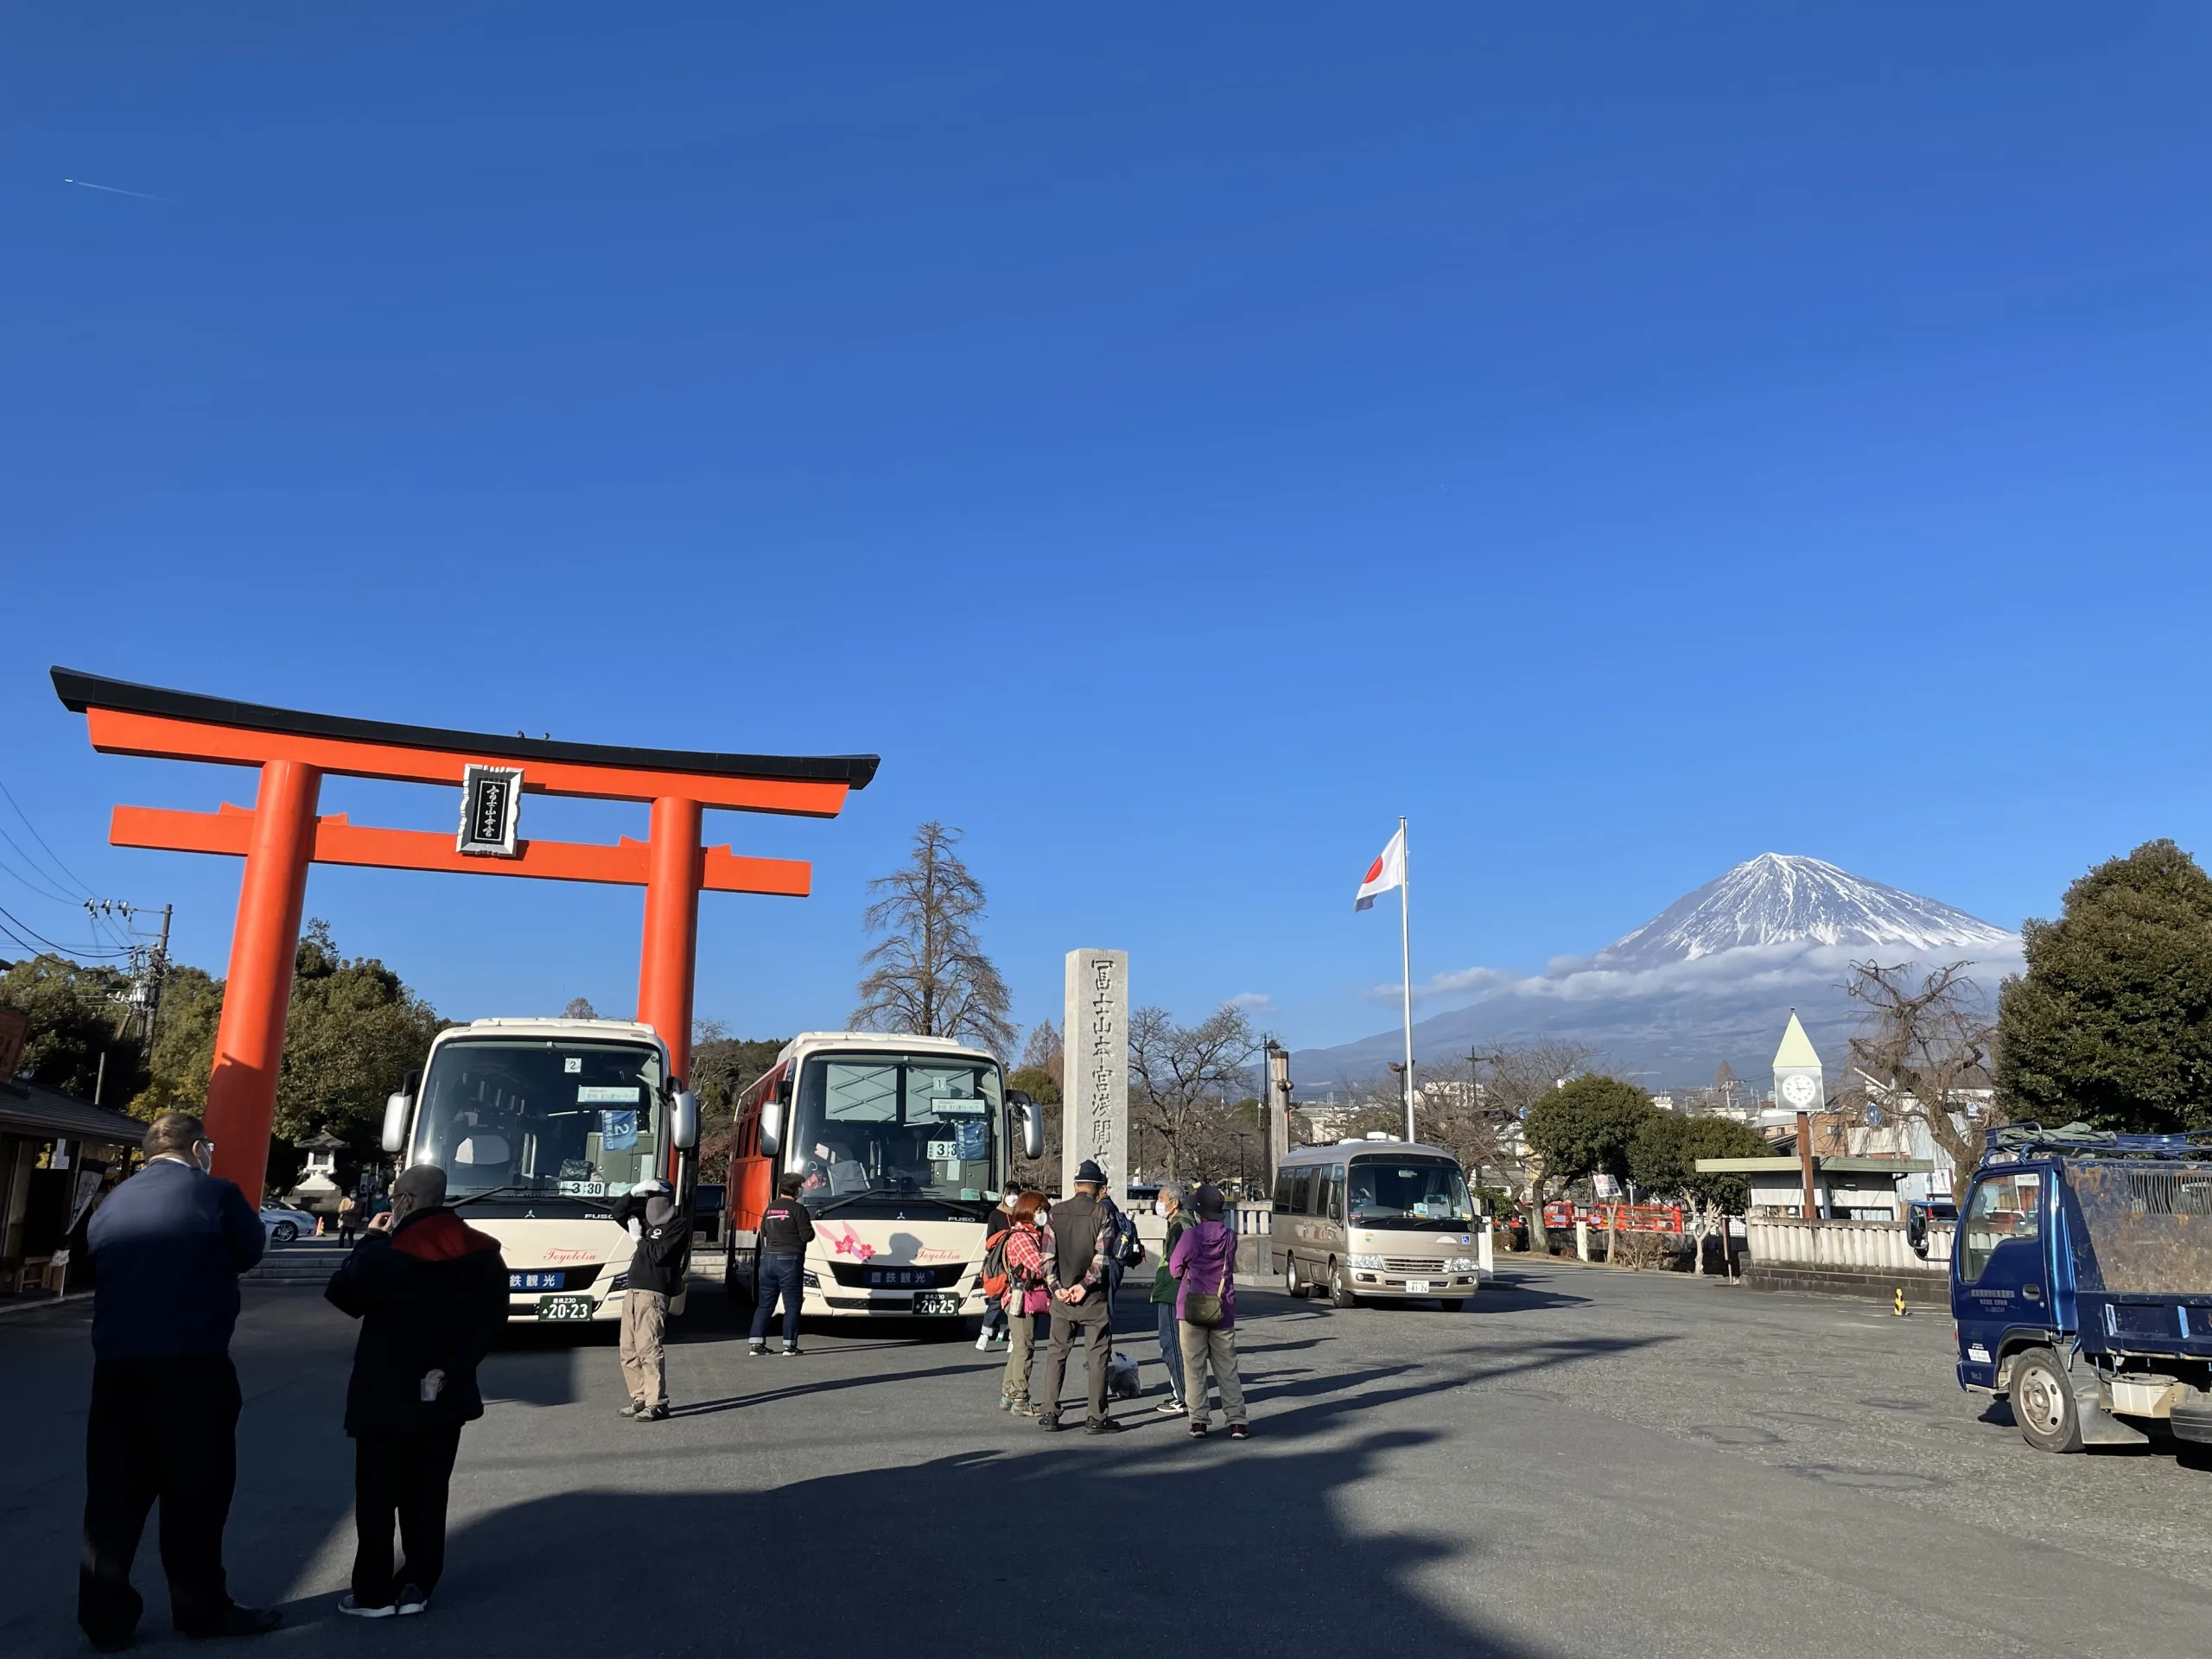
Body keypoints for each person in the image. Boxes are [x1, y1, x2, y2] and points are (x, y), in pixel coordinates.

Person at [78, 1111, 280, 1651]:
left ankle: (105, 1618)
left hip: (117, 1368)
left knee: (113, 1497)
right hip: (192, 1364)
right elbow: (250, 1251)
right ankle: (200, 1607)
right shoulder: (215, 1193)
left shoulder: (112, 1203)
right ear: (198, 1147)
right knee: (196, 1495)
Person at [324, 1162, 506, 1618]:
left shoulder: (389, 1253)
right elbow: (491, 1323)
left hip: (383, 1392)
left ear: (406, 1200)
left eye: (395, 1195)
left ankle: (371, 1594)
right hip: (444, 1393)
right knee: (428, 1493)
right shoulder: (483, 1251)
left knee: (377, 1495)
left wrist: (368, 1239)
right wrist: (452, 1368)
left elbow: (343, 1295)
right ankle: (418, 1585)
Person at [1035, 1160, 1122, 1435]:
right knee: (1097, 1355)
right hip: (1092, 1297)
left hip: (1061, 1297)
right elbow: (1103, 1257)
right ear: (1098, 1188)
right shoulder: (1102, 1214)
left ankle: (1050, 1412)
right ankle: (1096, 1417)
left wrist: (1056, 1287)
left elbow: (1046, 1256)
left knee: (1056, 1353)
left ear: (1075, 1185)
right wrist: (1084, 1286)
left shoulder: (1056, 1213)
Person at [1169, 1183, 1249, 1440]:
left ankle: (1198, 1420)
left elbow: (1174, 1269)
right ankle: (1236, 1421)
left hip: (1191, 1305)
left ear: (1198, 1211)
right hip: (1222, 1305)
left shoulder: (1191, 1236)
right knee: (1227, 1366)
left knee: (1194, 1367)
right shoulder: (1229, 1236)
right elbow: (1231, 1266)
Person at [607, 1178, 690, 1417]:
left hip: (654, 1292)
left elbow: (659, 1255)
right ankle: (639, 1397)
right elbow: (618, 1211)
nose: (651, 1203)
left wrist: (638, 1240)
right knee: (628, 1349)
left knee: (649, 1347)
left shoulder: (677, 1226)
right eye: (649, 1197)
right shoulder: (645, 1222)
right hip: (633, 1290)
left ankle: (657, 1401)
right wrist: (633, 1190)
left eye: (655, 1197)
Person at [997, 1190, 1053, 1415]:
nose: (1043, 1214)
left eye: (1044, 1210)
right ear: (1029, 1211)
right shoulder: (1022, 1236)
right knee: (1024, 1348)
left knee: (1019, 1348)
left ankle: (1008, 1394)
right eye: (1039, 1210)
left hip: (1019, 1297)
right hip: (1022, 1299)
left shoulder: (1026, 1233)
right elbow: (1038, 1267)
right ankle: (1020, 1399)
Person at [749, 1172, 814, 1357]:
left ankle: (756, 1343)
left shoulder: (770, 1208)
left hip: (768, 1258)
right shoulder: (798, 1209)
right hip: (790, 1259)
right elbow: (806, 1235)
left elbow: (765, 1232)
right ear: (796, 1189)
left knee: (765, 1304)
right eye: (802, 1185)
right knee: (792, 1304)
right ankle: (789, 1345)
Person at [1147, 1180, 1194, 1415]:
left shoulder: (1179, 1226)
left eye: (1161, 1199)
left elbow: (1176, 1263)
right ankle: (1186, 1393)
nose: (1158, 1203)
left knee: (1172, 1344)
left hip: (1172, 1291)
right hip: (1179, 1291)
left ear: (1174, 1203)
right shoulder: (1185, 1222)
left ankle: (1182, 1396)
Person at [976, 1183, 1022, 1351]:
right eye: (1010, 1194)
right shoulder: (995, 1215)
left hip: (1018, 1264)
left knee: (1016, 1300)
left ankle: (1013, 1336)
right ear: (1003, 1195)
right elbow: (989, 1242)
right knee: (996, 1299)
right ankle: (985, 1334)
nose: (1013, 1198)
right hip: (999, 1264)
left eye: (1016, 1194)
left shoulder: (1022, 1214)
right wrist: (1006, 1234)